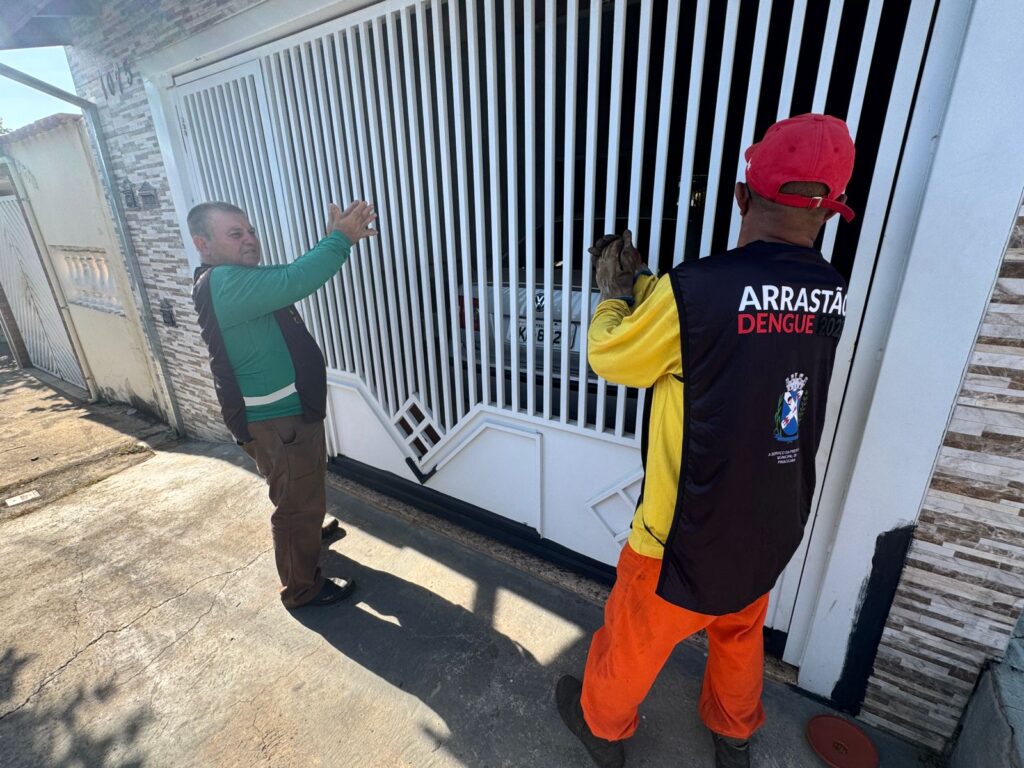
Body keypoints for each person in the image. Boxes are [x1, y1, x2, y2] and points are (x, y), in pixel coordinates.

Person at [556, 113, 856, 768]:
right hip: (770, 517)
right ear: (830, 213)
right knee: (739, 629)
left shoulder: (696, 291)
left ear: (742, 195)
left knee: (632, 638)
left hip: (680, 533)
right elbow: (736, 324)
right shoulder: (831, 292)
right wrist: (650, 287)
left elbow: (614, 356)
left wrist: (615, 292)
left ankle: (603, 732)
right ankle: (733, 732)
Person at [190, 200, 377, 609]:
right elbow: (296, 278)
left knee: (296, 489)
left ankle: (306, 533)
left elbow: (287, 276)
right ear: (203, 244)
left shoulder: (234, 280)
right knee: (295, 505)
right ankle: (302, 588)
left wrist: (333, 239)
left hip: (280, 419)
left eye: (250, 230)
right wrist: (340, 238)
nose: (250, 239)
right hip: (277, 420)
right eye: (235, 234)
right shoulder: (225, 282)